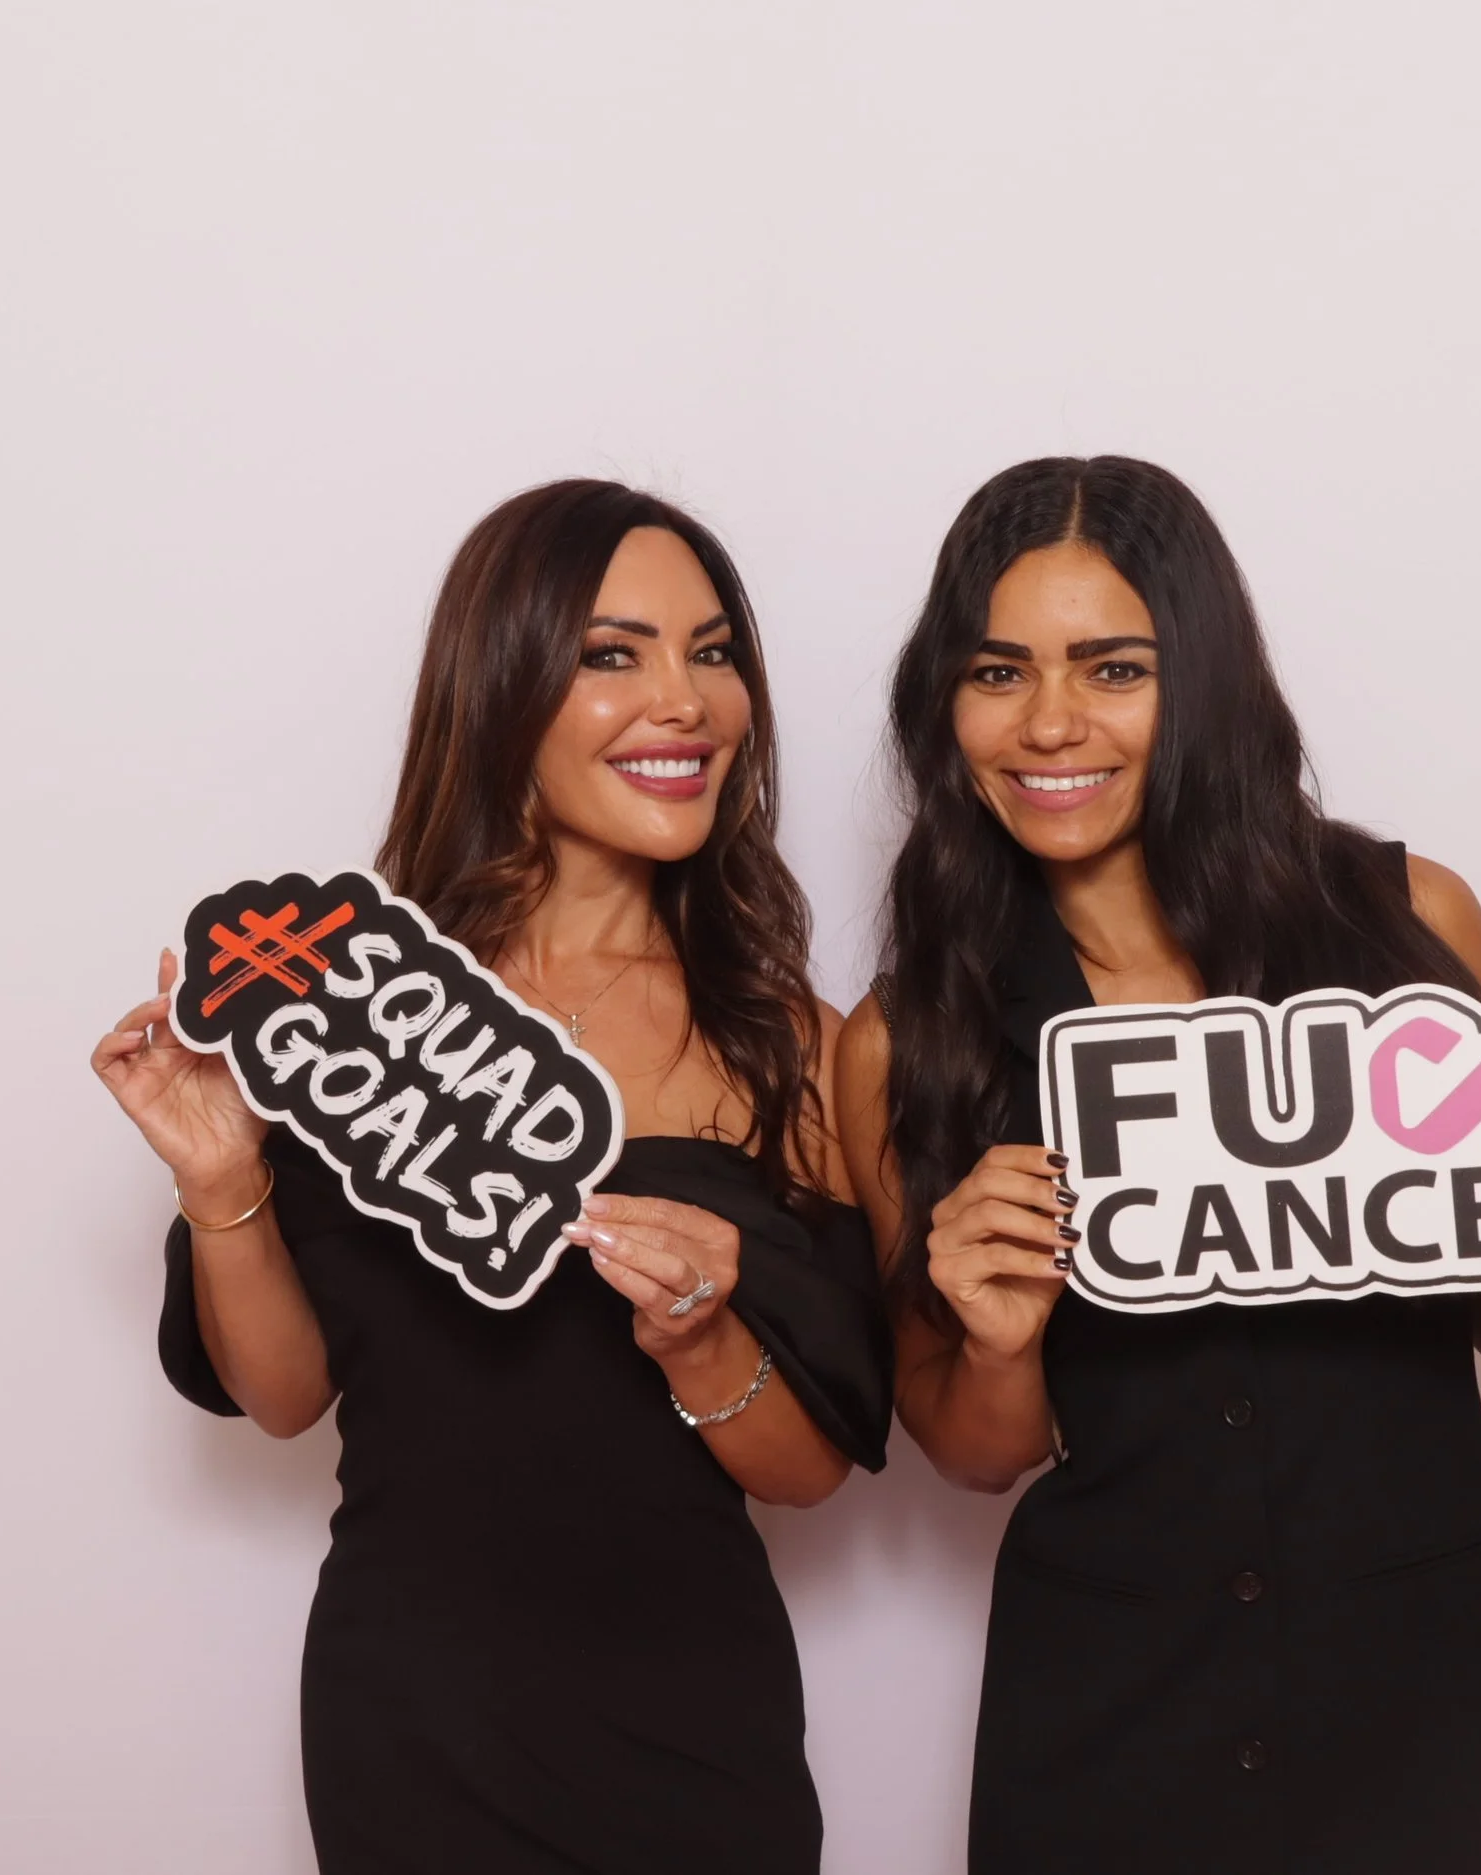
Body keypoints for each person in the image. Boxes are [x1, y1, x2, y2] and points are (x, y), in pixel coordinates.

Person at [836, 456, 1481, 1874]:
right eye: (998, 671)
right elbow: (971, 1448)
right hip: (1108, 1699)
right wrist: (1000, 1337)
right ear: (945, 703)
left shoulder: (1406, 921)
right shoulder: (905, 1037)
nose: (1051, 720)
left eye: (1112, 666)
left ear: (1197, 677)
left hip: (1428, 1686)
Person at [92, 480, 891, 1875]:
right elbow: (283, 1396)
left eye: (712, 651)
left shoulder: (787, 1042)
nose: (686, 700)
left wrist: (701, 1338)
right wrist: (223, 1177)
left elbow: (815, 1471)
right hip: (416, 1719)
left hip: (696, 1724)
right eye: (613, 653)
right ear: (503, 682)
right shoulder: (347, 997)